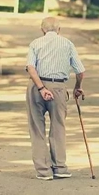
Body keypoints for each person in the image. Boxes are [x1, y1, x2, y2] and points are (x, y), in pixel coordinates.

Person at [25, 17, 86, 180]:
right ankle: (60, 167)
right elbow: (80, 71)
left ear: (42, 30)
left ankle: (43, 171)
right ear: (59, 30)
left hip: (36, 87)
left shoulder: (35, 43)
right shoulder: (67, 44)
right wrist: (77, 87)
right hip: (59, 88)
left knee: (37, 129)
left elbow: (31, 68)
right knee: (58, 128)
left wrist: (41, 88)